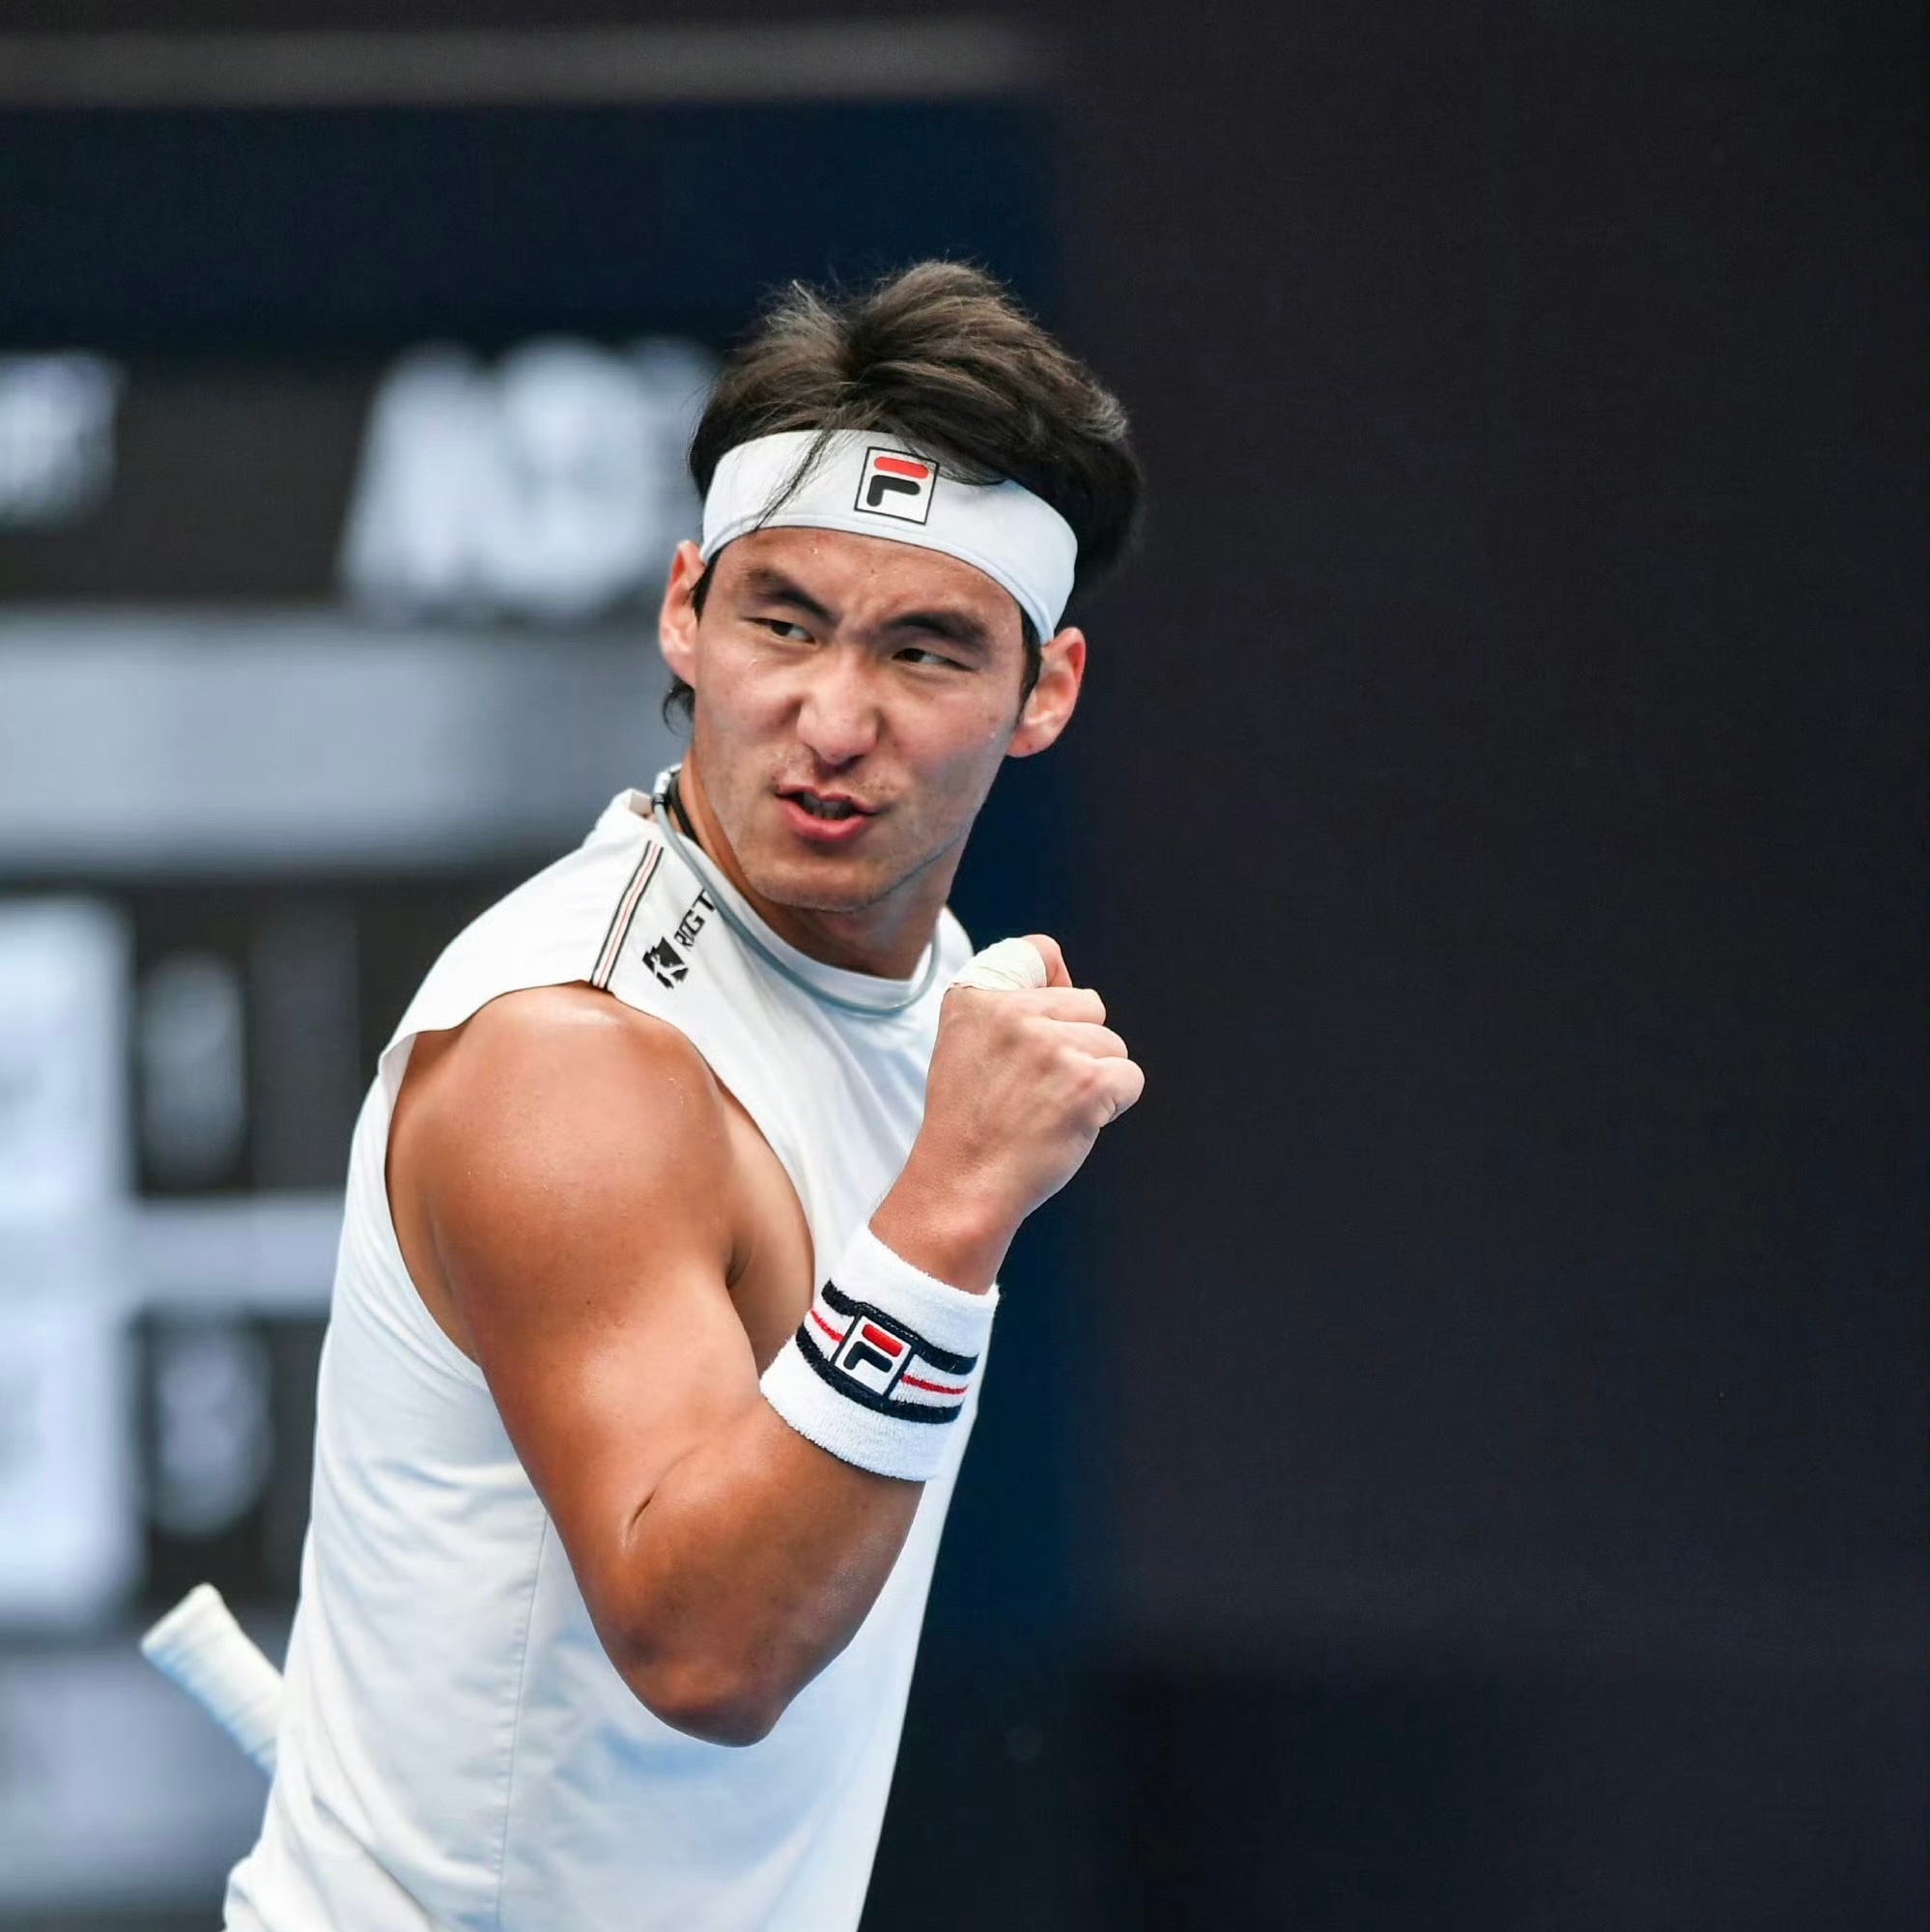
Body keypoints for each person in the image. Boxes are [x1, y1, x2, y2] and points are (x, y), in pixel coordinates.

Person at [224, 261, 1145, 1931]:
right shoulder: (572, 1059)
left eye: (924, 650)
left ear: (1045, 693)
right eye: (781, 622)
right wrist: (949, 1210)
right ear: (683, 614)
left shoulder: (936, 994)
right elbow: (706, 1651)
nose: (831, 719)